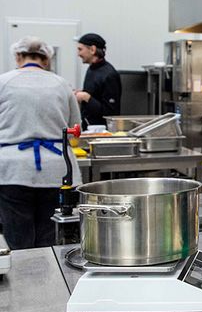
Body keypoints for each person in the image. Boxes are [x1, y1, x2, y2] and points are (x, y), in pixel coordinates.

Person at [0, 36, 82, 249]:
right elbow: (74, 129)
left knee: (17, 237)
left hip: (12, 171)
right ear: (46, 60)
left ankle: (20, 280)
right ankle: (49, 279)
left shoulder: (3, 81)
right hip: (55, 171)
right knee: (50, 238)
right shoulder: (61, 84)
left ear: (18, 57)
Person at [75, 32, 121, 129]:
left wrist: (86, 97)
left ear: (92, 49)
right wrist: (81, 94)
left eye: (80, 49)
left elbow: (110, 113)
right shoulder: (91, 69)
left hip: (102, 134)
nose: (78, 54)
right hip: (89, 129)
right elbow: (96, 95)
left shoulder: (109, 75)